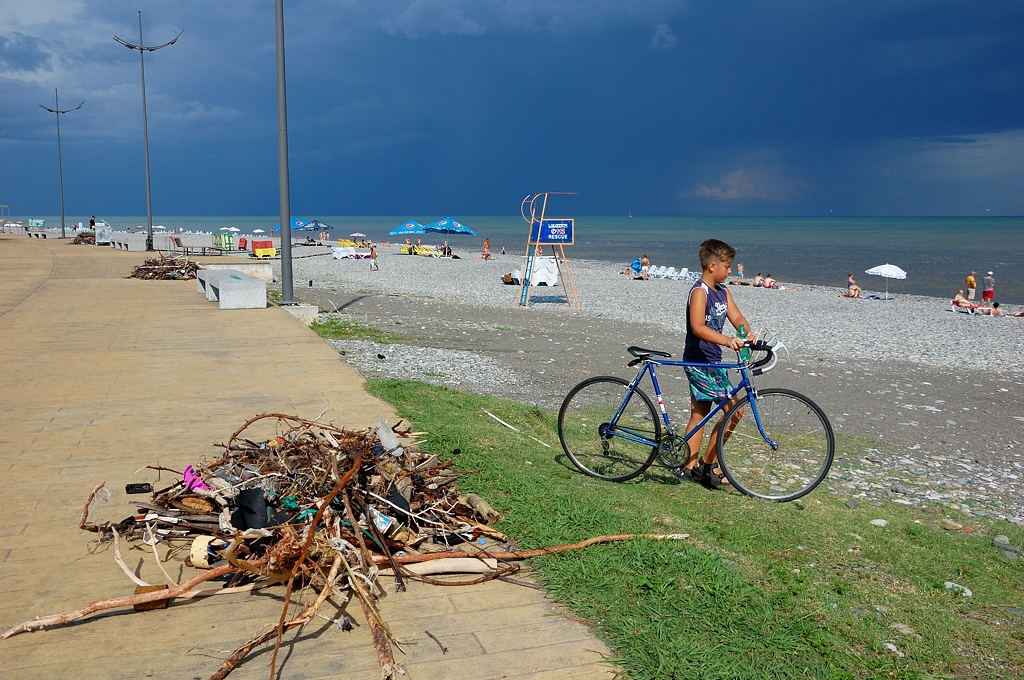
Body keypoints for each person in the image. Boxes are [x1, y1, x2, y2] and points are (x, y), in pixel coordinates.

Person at [675, 239, 755, 489]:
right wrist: (727, 341)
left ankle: (688, 467)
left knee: (699, 414)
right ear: (712, 266)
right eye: (727, 266)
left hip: (713, 362)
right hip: (700, 361)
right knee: (736, 411)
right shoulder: (700, 292)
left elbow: (737, 317)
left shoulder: (723, 291)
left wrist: (746, 332)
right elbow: (698, 327)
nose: (730, 271)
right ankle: (709, 466)